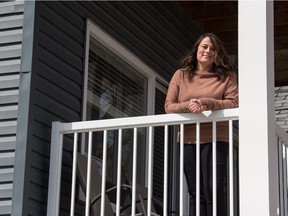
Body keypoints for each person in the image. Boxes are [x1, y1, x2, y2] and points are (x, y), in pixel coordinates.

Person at [165, 33, 238, 216]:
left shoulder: (226, 76)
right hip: (189, 138)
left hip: (217, 137)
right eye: (204, 46)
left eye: (213, 49)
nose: (208, 51)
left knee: (213, 190)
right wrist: (188, 106)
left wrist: (208, 102)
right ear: (197, 49)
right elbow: (169, 106)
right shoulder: (181, 75)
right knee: (195, 193)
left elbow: (233, 103)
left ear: (218, 54)